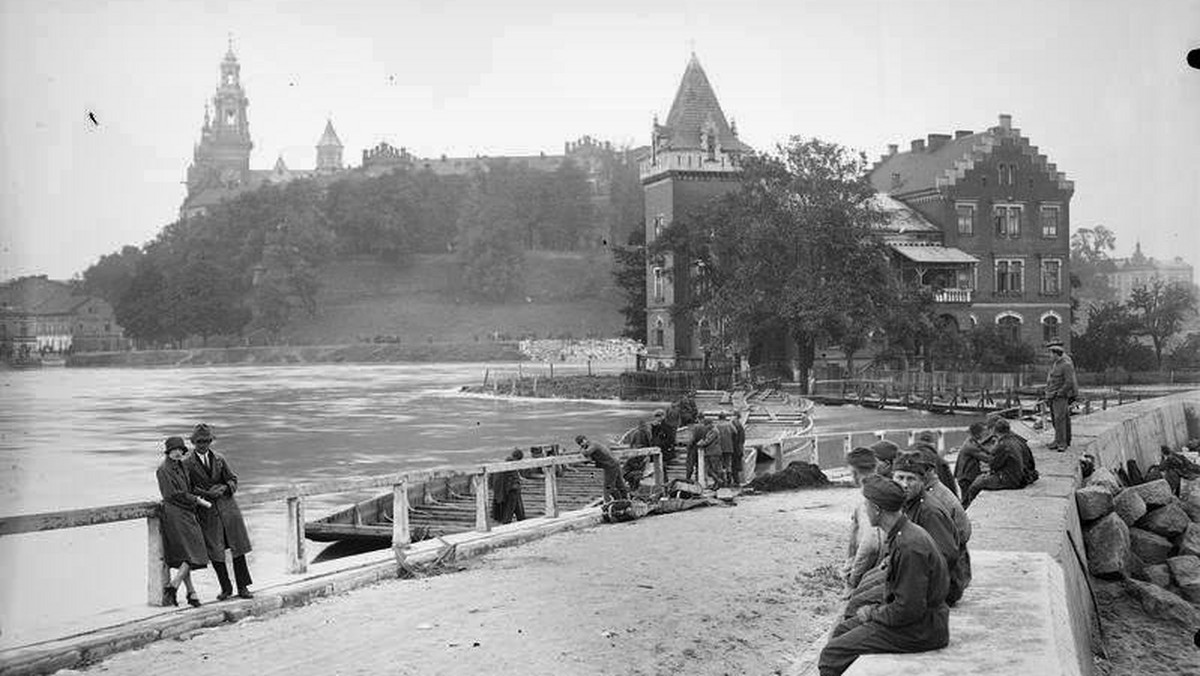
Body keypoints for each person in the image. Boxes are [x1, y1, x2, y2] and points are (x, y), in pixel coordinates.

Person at [817, 475, 950, 676]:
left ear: (877, 510)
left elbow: (908, 609)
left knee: (832, 654)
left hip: (922, 629)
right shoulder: (904, 533)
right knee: (841, 632)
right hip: (920, 621)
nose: (865, 509)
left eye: (867, 505)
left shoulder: (909, 546)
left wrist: (873, 613)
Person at [183, 423, 254, 600]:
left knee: (238, 549)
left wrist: (224, 488)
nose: (203, 444)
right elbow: (187, 489)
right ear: (193, 442)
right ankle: (226, 588)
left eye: (206, 441)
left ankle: (243, 587)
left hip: (228, 510)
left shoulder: (220, 459)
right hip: (207, 512)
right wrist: (206, 493)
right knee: (216, 552)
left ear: (210, 441)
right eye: (199, 441)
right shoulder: (187, 464)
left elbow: (233, 480)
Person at [910, 447, 972, 606]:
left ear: (929, 470)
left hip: (949, 579)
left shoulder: (934, 500)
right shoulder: (934, 491)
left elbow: (952, 547)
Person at [157, 436, 211, 608]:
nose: (178, 453)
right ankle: (175, 586)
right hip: (174, 513)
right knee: (194, 550)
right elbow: (172, 495)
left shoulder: (182, 466)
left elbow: (188, 488)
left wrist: (204, 494)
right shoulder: (163, 470)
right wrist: (197, 500)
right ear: (168, 452)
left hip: (186, 511)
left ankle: (189, 592)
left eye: (180, 449)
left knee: (188, 553)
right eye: (174, 450)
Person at [842, 447, 885, 595]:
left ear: (854, 472)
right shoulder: (886, 490)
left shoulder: (866, 500)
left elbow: (870, 544)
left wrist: (853, 580)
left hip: (869, 575)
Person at [963, 419, 1031, 509]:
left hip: (1010, 479)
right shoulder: (1014, 440)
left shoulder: (1003, 444)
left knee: (976, 484)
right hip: (1018, 475)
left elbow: (994, 464)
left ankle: (971, 508)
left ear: (995, 431)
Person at [1044, 339, 1078, 452]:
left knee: (1060, 419)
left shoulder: (1066, 364)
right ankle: (1057, 440)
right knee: (1055, 419)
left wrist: (1060, 393)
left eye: (1050, 353)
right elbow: (1051, 380)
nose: (1049, 355)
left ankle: (1062, 443)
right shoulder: (1055, 364)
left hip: (1059, 396)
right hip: (1052, 395)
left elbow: (1069, 382)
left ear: (1055, 353)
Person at [575, 434, 629, 501]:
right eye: (580, 443)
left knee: (608, 486)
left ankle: (607, 502)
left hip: (610, 465)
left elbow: (587, 452)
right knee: (619, 484)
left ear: (585, 440)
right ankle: (625, 499)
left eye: (581, 442)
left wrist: (581, 450)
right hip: (614, 463)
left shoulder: (593, 445)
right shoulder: (592, 444)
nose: (581, 444)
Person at [912, 431, 958, 499]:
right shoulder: (939, 460)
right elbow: (950, 483)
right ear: (933, 444)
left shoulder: (909, 456)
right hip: (937, 496)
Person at [954, 422, 992, 499]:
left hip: (965, 475)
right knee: (967, 500)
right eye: (982, 432)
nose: (984, 434)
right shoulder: (970, 446)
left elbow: (983, 449)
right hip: (965, 477)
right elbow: (987, 459)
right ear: (977, 434)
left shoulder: (971, 441)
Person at [490, 449, 527, 524]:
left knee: (515, 509)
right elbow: (512, 478)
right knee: (509, 511)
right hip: (511, 490)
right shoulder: (511, 464)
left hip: (504, 490)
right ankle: (512, 522)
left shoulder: (504, 464)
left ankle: (521, 520)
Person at [715, 412, 737, 486]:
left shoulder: (717, 425)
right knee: (728, 463)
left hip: (719, 447)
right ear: (725, 417)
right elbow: (735, 431)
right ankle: (729, 478)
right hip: (729, 446)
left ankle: (722, 479)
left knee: (720, 463)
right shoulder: (729, 424)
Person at [731, 411, 747, 485]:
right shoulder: (740, 426)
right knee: (737, 465)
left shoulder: (735, 425)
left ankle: (736, 481)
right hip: (738, 448)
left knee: (734, 465)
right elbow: (743, 439)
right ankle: (738, 481)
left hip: (735, 448)